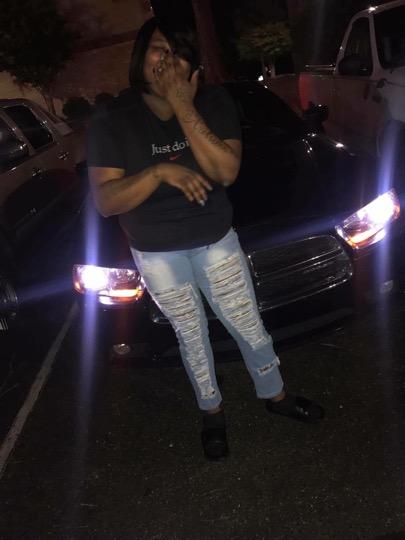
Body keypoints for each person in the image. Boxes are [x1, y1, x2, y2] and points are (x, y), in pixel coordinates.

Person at [87, 16, 324, 461]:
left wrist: (183, 105)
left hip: (214, 239)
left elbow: (225, 171)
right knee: (190, 335)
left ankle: (275, 395)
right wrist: (160, 172)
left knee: (247, 324)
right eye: (159, 48)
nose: (168, 60)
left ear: (193, 66)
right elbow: (107, 200)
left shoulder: (212, 101)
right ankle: (211, 411)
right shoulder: (113, 118)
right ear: (140, 56)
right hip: (156, 251)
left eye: (179, 53)